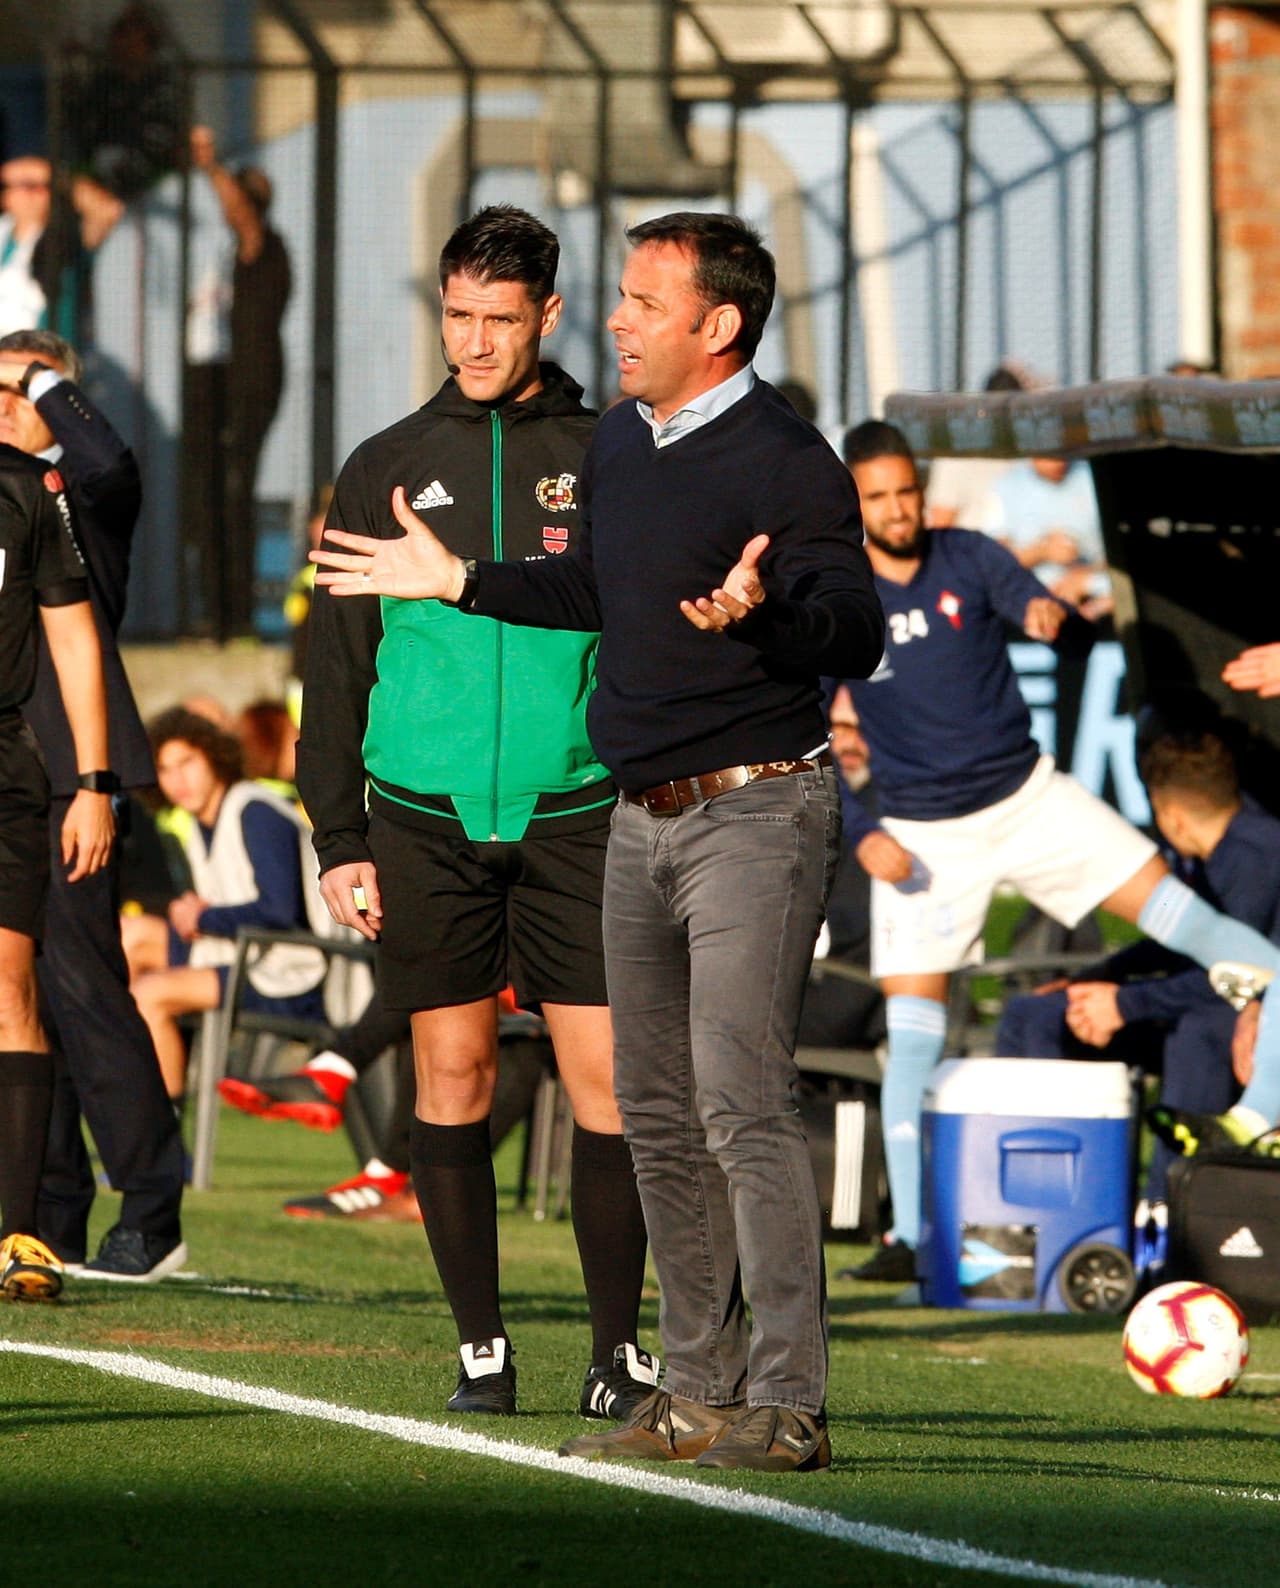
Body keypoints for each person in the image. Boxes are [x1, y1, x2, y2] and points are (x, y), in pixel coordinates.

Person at [311, 210, 885, 1473]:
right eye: (616, 298)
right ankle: (691, 1389)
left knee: (740, 1100)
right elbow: (592, 592)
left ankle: (788, 1399)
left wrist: (768, 615)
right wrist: (457, 581)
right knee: (658, 1110)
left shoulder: (787, 459)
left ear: (715, 326)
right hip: (639, 818)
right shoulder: (624, 440)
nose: (614, 320)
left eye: (638, 302)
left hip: (753, 807)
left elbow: (855, 630)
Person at [297, 205, 654, 1425]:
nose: (475, 341)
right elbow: (336, 666)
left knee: (605, 1083)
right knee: (446, 1076)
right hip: (418, 814)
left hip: (577, 811)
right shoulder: (383, 461)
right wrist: (336, 834)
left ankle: (618, 1355)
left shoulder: (611, 448)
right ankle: (484, 1352)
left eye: (498, 319)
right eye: (457, 316)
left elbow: (641, 625)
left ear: (548, 314)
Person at [833, 420, 1280, 1283]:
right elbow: (807, 732)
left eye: (906, 491)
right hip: (923, 836)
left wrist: (1053, 620)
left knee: (1222, 941)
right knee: (913, 1037)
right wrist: (867, 831)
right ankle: (912, 1241)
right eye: (877, 497)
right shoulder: (840, 594)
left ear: (922, 489)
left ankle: (1261, 1105)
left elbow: (1065, 631)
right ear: (855, 504)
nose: (897, 510)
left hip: (1032, 800)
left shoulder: (969, 556)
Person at [0, 327, 186, 1281]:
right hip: (13, 779)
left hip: (76, 780)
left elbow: (109, 455)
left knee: (84, 991)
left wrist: (42, 379)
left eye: (15, 391)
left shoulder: (84, 496)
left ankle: (153, 1203)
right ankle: (49, 1209)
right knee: (25, 1002)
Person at [996, 730, 1279, 1207]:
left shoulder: (1256, 855)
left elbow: (1244, 974)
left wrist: (1126, 1004)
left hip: (1242, 1021)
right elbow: (1177, 951)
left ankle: (1164, 1215)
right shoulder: (1202, 856)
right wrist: (1098, 979)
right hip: (1183, 1003)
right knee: (1033, 1015)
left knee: (1200, 1030)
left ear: (1169, 815)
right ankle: (1035, 1197)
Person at [0, 418, 115, 1299]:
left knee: (11, 989)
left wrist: (93, 780)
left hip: (8, 765)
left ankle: (17, 1233)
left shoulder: (30, 491)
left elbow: (73, 636)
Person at [128, 707, 327, 1106]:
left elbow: (279, 911)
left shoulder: (255, 810)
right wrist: (195, 912)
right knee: (127, 935)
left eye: (187, 762)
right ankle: (113, 1082)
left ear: (214, 756)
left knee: (149, 995)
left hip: (295, 973)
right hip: (243, 956)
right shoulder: (199, 822)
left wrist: (203, 916)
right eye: (165, 770)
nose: (177, 780)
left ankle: (160, 1146)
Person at [188, 125, 292, 639]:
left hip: (250, 382)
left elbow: (244, 218)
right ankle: (213, 612)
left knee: (233, 489)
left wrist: (209, 165)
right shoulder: (222, 253)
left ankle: (235, 616)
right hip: (213, 379)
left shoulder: (265, 246)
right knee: (206, 491)